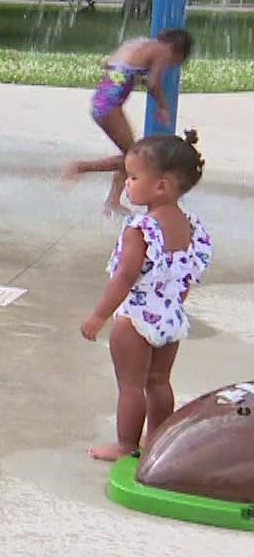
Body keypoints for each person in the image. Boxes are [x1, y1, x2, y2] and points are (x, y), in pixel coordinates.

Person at [79, 131, 211, 461]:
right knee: (159, 384)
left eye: (134, 177)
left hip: (136, 319)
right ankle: (158, 441)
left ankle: (126, 445)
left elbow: (124, 277)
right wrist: (171, 307)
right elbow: (185, 276)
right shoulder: (190, 225)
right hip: (171, 316)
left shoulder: (141, 228)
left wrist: (99, 316)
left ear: (162, 185)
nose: (126, 183)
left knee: (131, 386)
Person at [63, 29, 192, 215]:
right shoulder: (164, 50)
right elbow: (153, 84)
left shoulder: (139, 44)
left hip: (101, 101)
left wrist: (130, 79)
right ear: (179, 52)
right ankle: (81, 167)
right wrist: (163, 106)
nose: (171, 64)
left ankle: (112, 201)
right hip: (110, 105)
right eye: (176, 62)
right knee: (134, 158)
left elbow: (108, 64)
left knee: (131, 154)